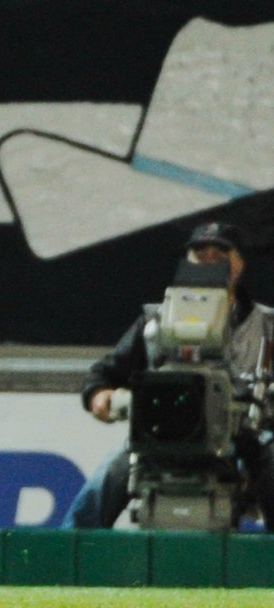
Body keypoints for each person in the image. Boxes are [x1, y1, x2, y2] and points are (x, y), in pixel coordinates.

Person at [61, 222, 274, 529]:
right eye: (201, 253)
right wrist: (102, 397)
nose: (210, 259)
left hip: (245, 438)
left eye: (221, 252)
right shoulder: (156, 320)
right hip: (161, 437)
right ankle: (68, 556)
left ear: (239, 261)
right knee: (110, 472)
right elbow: (104, 374)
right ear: (187, 261)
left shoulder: (267, 325)